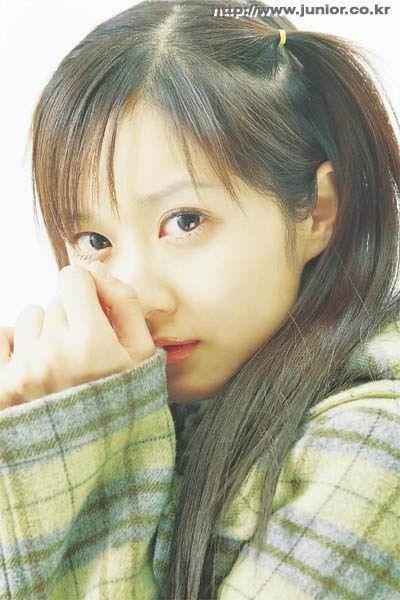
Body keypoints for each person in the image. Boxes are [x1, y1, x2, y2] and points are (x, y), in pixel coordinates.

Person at [0, 0, 399, 597]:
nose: (140, 297)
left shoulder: (375, 443)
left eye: (185, 221)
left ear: (318, 212)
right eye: (95, 241)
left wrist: (81, 442)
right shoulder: (170, 408)